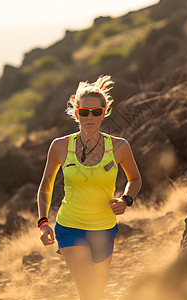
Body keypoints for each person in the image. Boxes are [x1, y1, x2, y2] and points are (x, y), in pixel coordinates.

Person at [36, 75, 142, 300]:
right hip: (69, 227)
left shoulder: (119, 147)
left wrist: (125, 200)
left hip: (104, 229)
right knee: (87, 290)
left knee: (98, 290)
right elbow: (46, 185)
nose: (90, 117)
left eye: (96, 112)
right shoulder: (60, 146)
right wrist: (43, 223)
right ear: (76, 114)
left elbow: (135, 179)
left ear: (104, 113)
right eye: (84, 112)